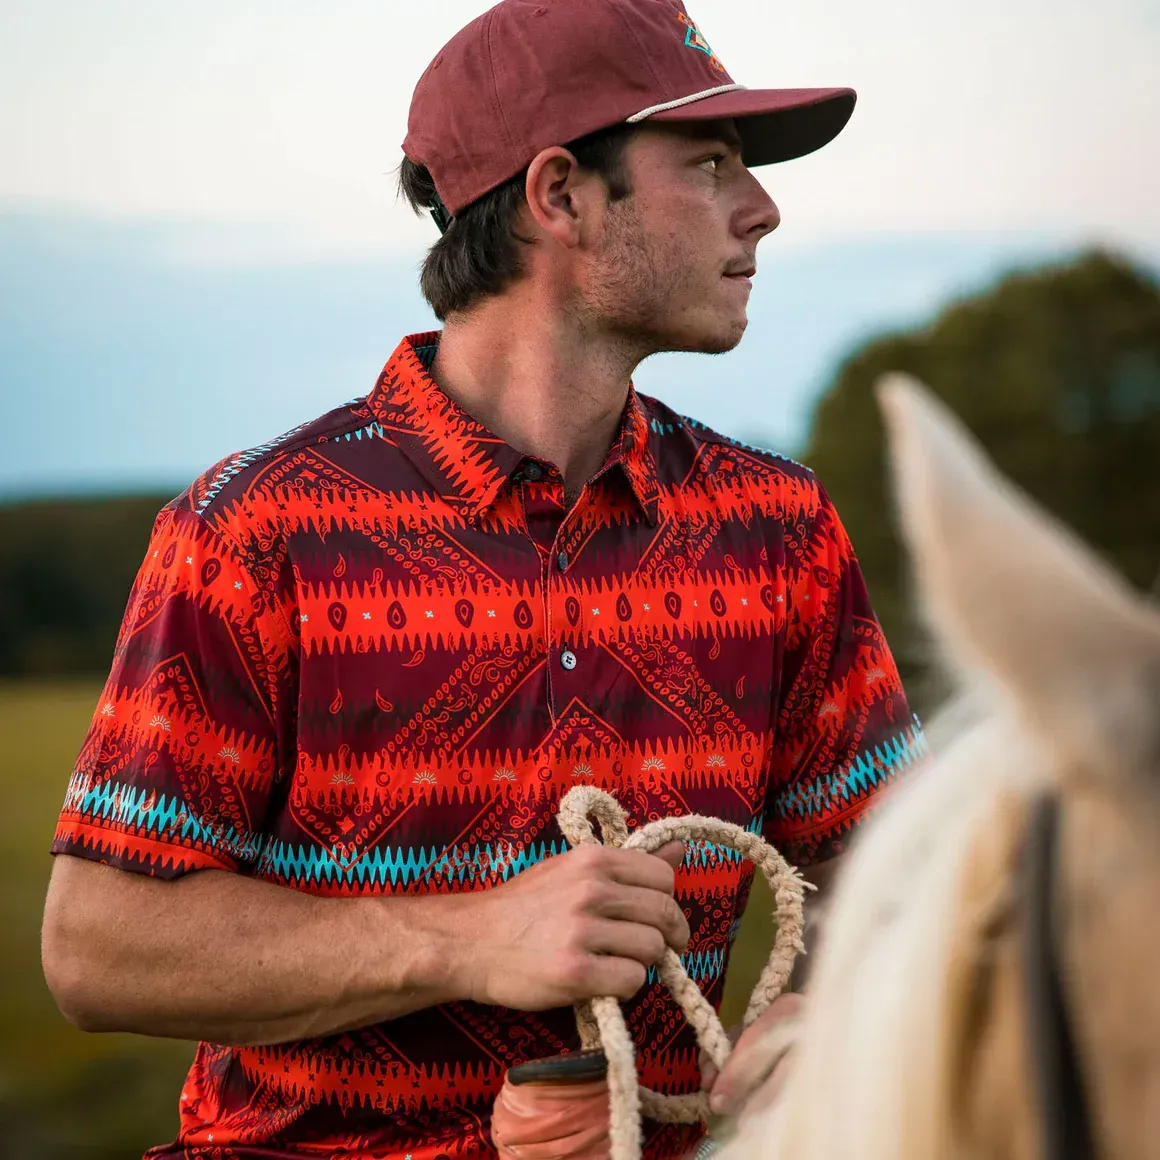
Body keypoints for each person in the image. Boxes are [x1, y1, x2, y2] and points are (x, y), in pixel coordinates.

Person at [41, 1, 924, 1157]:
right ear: (558, 194)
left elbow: (893, 864)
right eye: (709, 165)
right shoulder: (260, 527)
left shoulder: (776, 525)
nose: (759, 207)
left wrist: (828, 1009)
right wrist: (465, 939)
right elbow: (99, 947)